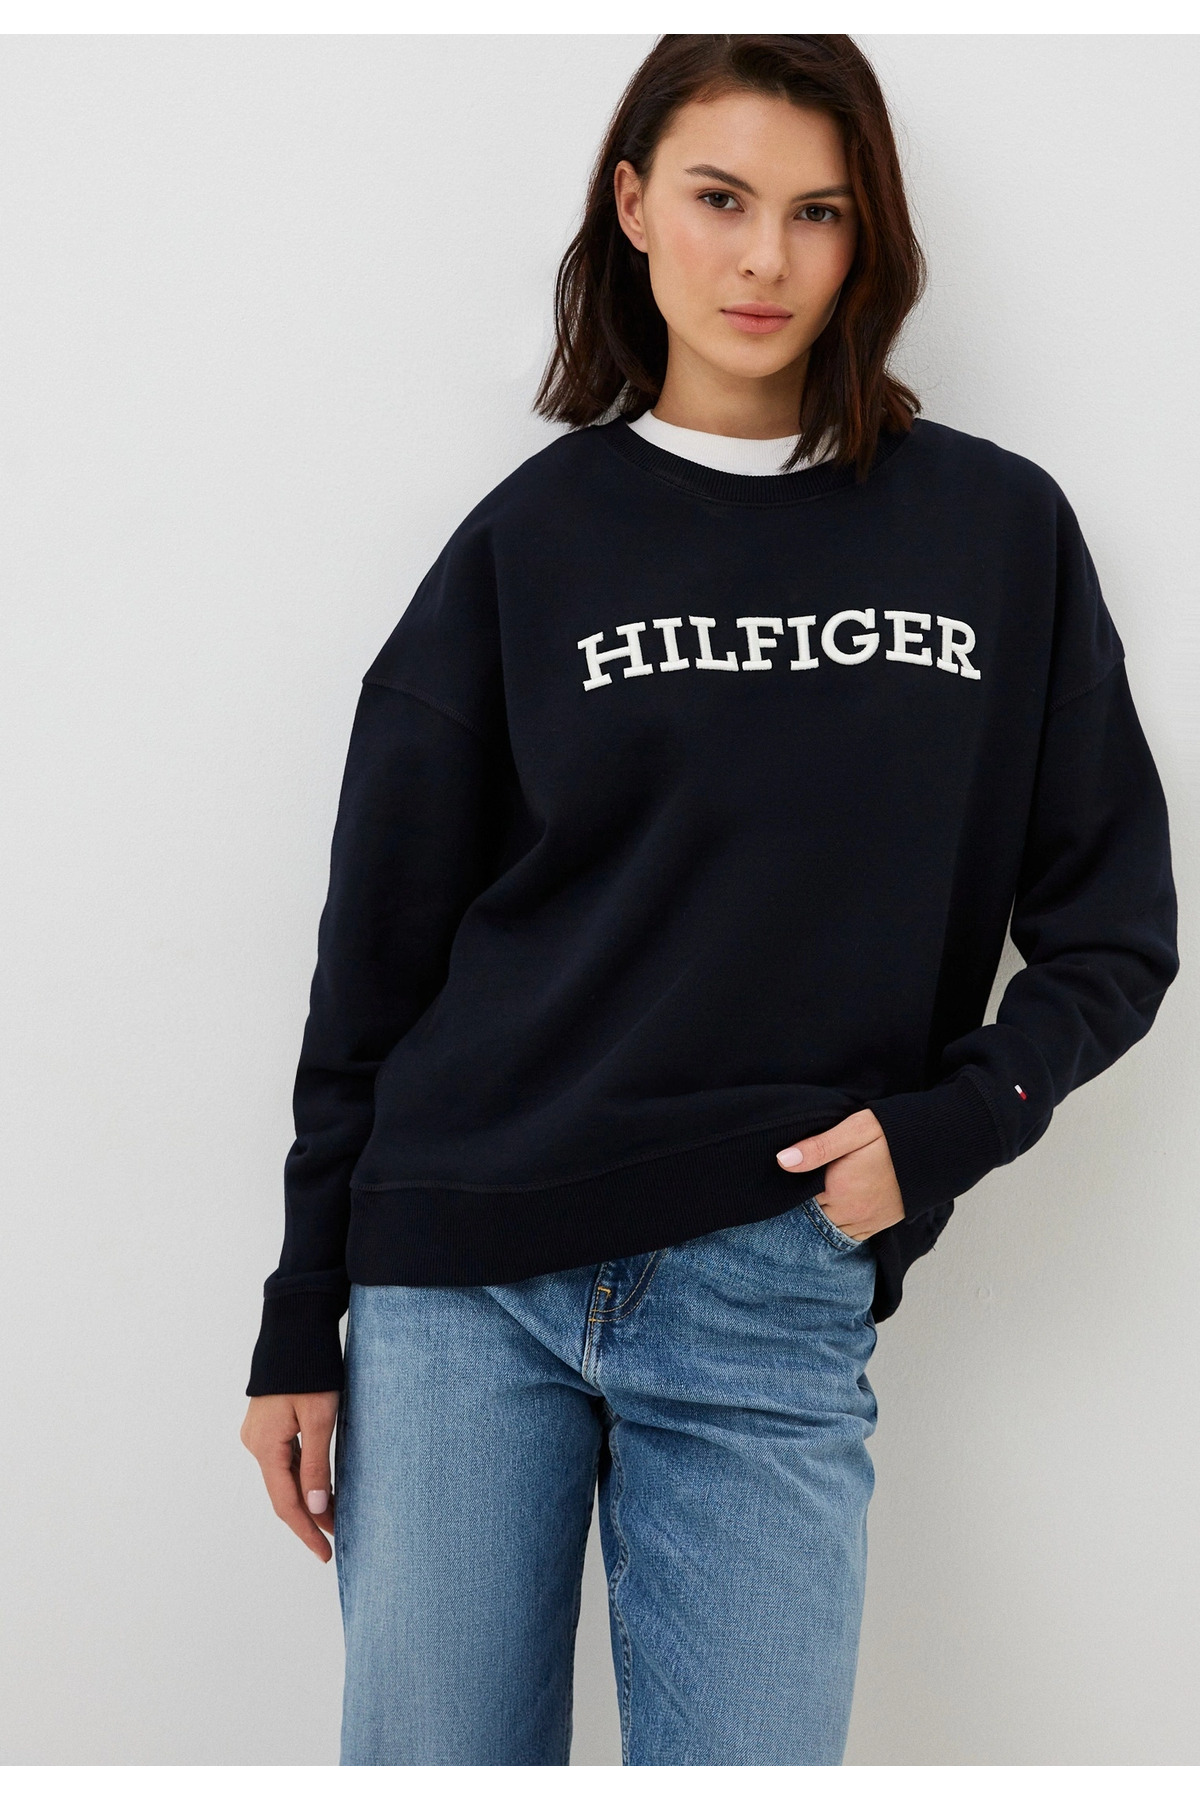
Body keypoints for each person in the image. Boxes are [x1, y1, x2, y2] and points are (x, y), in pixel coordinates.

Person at [239, 34, 1179, 1766]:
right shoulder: (531, 542)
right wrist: (304, 1311)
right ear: (633, 208)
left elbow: (1115, 927)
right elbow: (374, 958)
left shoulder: (993, 531)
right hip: (462, 1282)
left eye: (819, 212)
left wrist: (951, 1127)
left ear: (869, 235)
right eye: (720, 199)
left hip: (773, 1270)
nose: (766, 259)